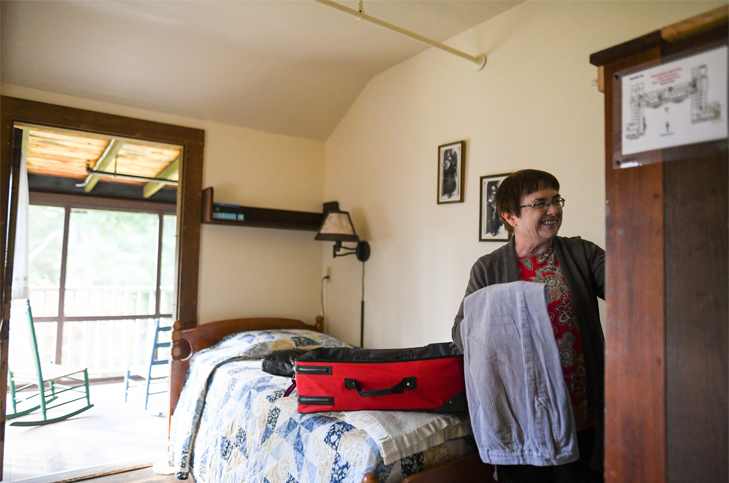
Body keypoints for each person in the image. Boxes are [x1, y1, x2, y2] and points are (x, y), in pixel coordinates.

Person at [452, 169, 605, 483]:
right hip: (519, 415)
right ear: (510, 216)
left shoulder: (581, 253)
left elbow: (631, 290)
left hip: (579, 411)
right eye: (541, 203)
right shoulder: (488, 268)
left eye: (556, 200)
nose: (554, 210)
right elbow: (461, 331)